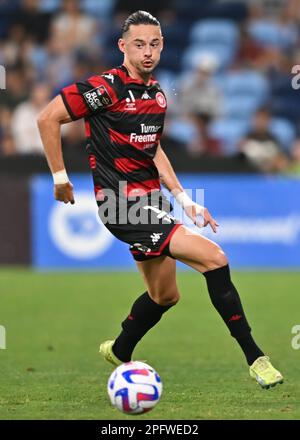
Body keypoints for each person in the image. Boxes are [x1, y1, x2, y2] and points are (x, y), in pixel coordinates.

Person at [37, 10, 283, 389]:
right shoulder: (106, 87)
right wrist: (59, 178)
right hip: (121, 205)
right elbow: (47, 118)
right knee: (215, 259)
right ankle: (256, 357)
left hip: (151, 203)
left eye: (154, 44)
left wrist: (185, 200)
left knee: (165, 295)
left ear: (163, 45)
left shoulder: (156, 96)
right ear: (122, 46)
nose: (147, 51)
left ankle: (120, 349)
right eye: (139, 44)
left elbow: (153, 150)